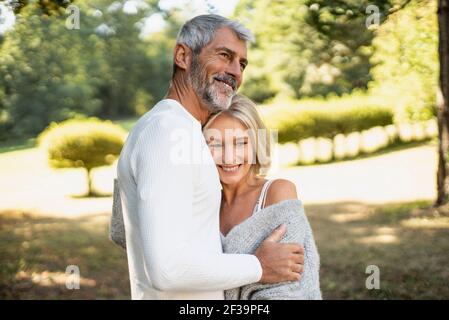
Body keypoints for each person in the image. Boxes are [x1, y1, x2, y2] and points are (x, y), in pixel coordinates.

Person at [115, 14, 304, 300]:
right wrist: (259, 266)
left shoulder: (183, 131)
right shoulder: (168, 131)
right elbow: (166, 270)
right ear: (183, 56)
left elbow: (122, 232)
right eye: (224, 55)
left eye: (241, 64)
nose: (235, 72)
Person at [203, 94, 322, 299]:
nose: (229, 157)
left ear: (256, 144)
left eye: (240, 143)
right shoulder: (203, 203)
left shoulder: (278, 192)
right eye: (215, 144)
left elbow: (287, 287)